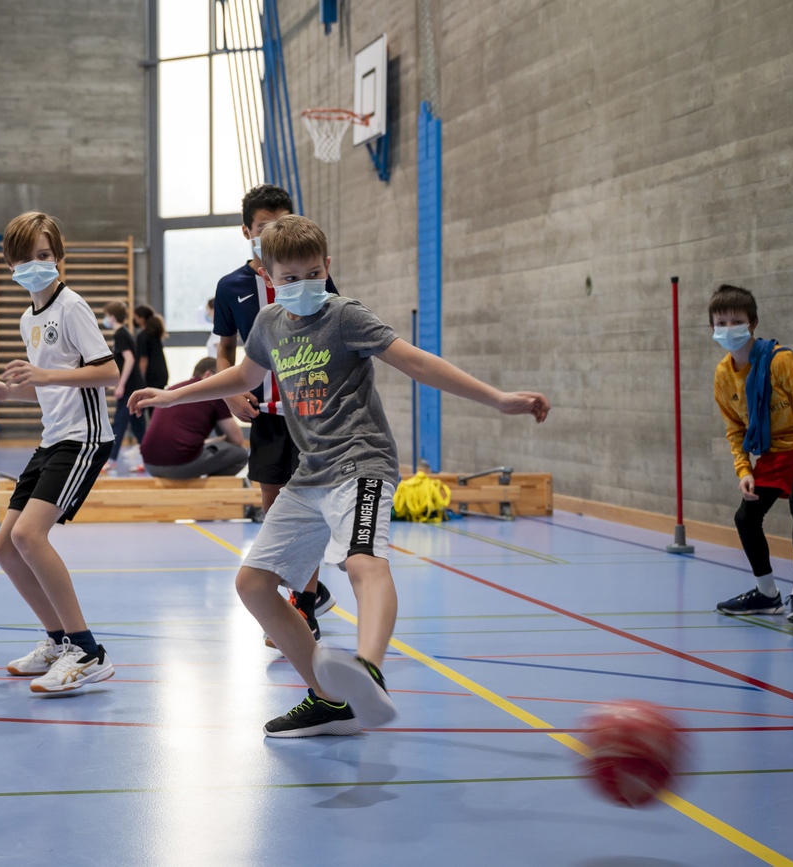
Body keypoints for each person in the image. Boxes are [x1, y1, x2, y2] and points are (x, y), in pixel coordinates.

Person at [131, 215, 550, 737]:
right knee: (254, 584)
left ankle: (368, 671)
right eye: (288, 277)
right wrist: (172, 394)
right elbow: (244, 376)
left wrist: (499, 398)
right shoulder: (267, 324)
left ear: (327, 268)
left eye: (312, 273)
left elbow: (416, 363)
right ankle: (331, 701)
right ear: (267, 275)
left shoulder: (346, 316)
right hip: (311, 473)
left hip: (362, 461)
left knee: (362, 563)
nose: (301, 285)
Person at [0, 211, 119, 694]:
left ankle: (87, 650)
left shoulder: (70, 306)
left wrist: (47, 377)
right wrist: (4, 392)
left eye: (45, 255)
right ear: (11, 264)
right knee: (4, 545)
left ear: (58, 259)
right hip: (52, 437)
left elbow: (106, 372)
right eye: (27, 257)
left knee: (31, 536)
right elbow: (44, 386)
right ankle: (57, 641)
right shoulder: (26, 318)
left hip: (84, 438)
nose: (36, 264)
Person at [212, 184, 342, 645]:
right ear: (246, 230)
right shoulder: (231, 287)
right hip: (264, 416)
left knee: (310, 511)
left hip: (309, 415)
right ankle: (302, 594)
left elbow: (334, 336)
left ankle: (304, 608)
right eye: (263, 227)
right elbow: (224, 350)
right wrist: (229, 396)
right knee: (275, 514)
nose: (272, 233)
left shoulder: (311, 281)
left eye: (280, 223)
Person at [710, 284, 793, 630]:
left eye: (735, 321)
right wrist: (744, 470)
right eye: (720, 322)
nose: (727, 329)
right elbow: (735, 431)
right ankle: (767, 593)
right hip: (774, 451)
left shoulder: (780, 360)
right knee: (745, 517)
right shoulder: (723, 376)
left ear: (752, 324)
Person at [141, 357, 248, 479]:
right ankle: (211, 491)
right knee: (240, 454)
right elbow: (237, 439)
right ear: (208, 374)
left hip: (149, 464)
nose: (225, 383)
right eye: (222, 378)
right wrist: (218, 440)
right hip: (178, 466)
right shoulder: (216, 393)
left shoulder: (172, 390)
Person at [102, 301, 145, 474]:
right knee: (138, 424)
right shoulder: (122, 333)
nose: (105, 319)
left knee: (120, 422)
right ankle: (147, 457)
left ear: (112, 316)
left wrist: (121, 385)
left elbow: (129, 359)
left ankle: (111, 460)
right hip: (133, 386)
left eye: (106, 315)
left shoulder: (120, 334)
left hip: (131, 387)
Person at [133, 304, 169, 391]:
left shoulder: (142, 336)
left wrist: (140, 380)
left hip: (152, 376)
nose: (134, 320)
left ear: (141, 319)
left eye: (136, 317)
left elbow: (143, 360)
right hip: (161, 374)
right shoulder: (155, 334)